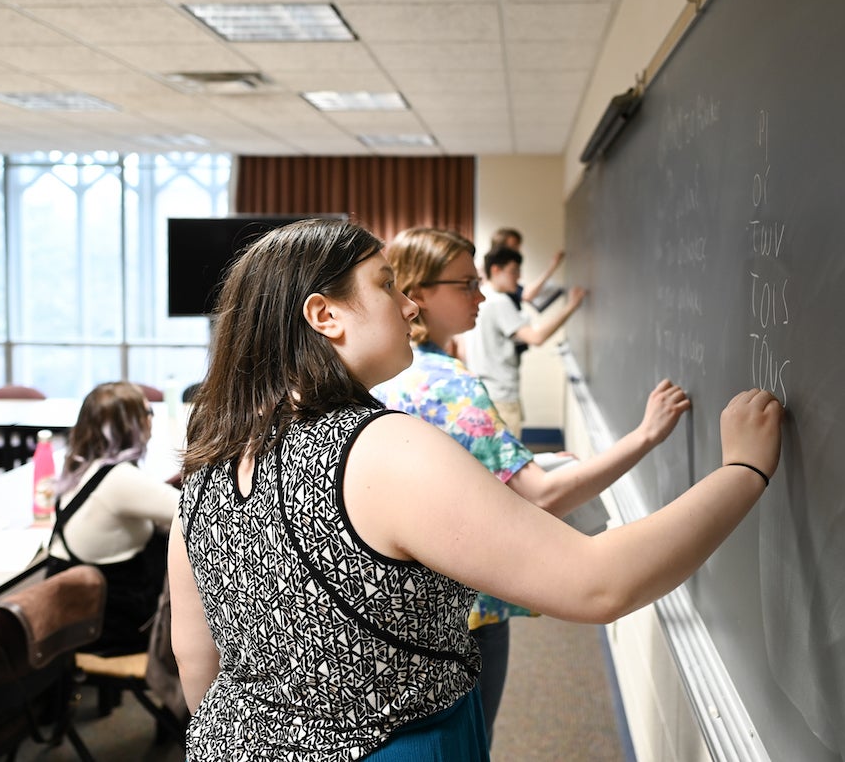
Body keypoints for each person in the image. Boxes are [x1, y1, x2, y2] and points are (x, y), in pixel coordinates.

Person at [168, 218, 783, 761]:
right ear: (324, 315)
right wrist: (743, 472)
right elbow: (598, 583)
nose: (409, 307)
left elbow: (199, 667)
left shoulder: (206, 469)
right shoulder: (380, 448)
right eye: (385, 285)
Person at [373, 227, 690, 742]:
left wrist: (528, 461)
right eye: (464, 285)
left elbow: (452, 473)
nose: (481, 296)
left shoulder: (390, 377)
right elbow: (541, 496)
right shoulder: (450, 385)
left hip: (411, 608)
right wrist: (647, 436)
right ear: (421, 293)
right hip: (467, 612)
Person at [46, 381, 179, 654]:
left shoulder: (80, 467)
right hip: (112, 624)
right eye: (148, 412)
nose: (152, 419)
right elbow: (199, 514)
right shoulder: (121, 480)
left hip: (75, 614)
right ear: (133, 424)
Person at [463, 244, 586, 436]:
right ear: (496, 270)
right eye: (513, 271)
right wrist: (572, 306)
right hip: (500, 396)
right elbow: (536, 338)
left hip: (485, 391)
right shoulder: (499, 302)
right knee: (508, 462)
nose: (518, 277)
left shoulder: (481, 298)